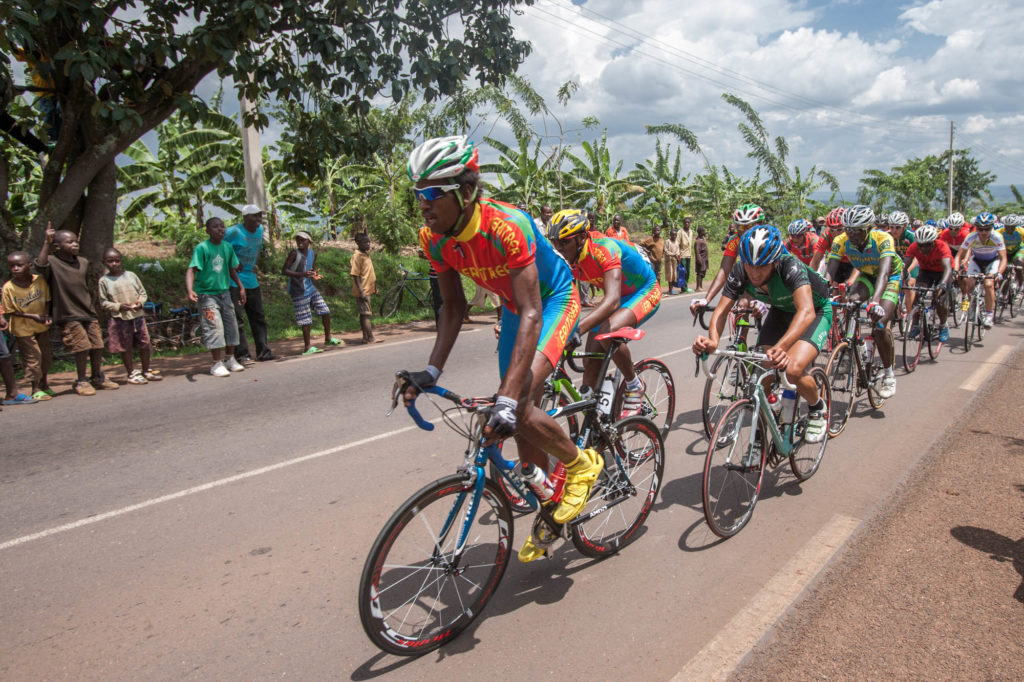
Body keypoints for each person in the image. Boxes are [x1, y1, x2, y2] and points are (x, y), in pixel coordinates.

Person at [404, 135, 600, 562]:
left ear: (467, 192)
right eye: (418, 194)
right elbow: (453, 307)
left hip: (550, 302)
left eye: (432, 193)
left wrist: (511, 395)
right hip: (516, 308)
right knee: (510, 413)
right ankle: (548, 498)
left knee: (518, 397)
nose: (423, 204)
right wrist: (430, 372)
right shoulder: (433, 238)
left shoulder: (507, 225)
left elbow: (533, 310)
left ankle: (582, 464)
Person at [692, 225, 829, 442]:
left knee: (792, 369)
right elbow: (721, 310)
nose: (754, 273)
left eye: (762, 267)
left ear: (775, 262)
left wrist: (782, 347)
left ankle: (817, 407)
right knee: (760, 375)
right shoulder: (740, 271)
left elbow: (806, 311)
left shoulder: (790, 266)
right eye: (749, 266)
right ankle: (762, 437)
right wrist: (713, 340)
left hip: (815, 312)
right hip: (782, 311)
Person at [548, 209, 661, 416]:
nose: (558, 248)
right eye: (555, 242)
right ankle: (595, 419)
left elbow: (611, 301)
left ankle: (634, 384)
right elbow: (553, 298)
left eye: (563, 243)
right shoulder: (567, 258)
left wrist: (576, 330)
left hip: (643, 291)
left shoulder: (603, 248)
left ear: (581, 237)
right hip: (617, 296)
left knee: (608, 333)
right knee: (590, 360)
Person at [826, 204, 902, 399]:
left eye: (857, 231)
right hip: (867, 276)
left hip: (889, 276)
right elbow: (829, 271)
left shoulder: (883, 239)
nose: (852, 235)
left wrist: (875, 302)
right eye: (848, 230)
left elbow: (884, 274)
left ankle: (889, 374)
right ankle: (853, 345)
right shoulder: (840, 240)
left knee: (878, 325)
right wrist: (821, 292)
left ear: (868, 228)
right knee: (851, 302)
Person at [35, 226, 119, 395]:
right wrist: (46, 242)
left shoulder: (83, 262)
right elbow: (40, 265)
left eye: (76, 241)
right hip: (67, 312)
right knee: (81, 347)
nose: (75, 244)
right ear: (57, 246)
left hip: (87, 310)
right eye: (70, 242)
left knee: (97, 345)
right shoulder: (52, 261)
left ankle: (97, 376)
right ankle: (81, 380)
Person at [186, 217, 247, 377]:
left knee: (231, 325)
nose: (220, 229)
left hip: (224, 292)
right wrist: (190, 289)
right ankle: (216, 363)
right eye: (215, 227)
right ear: (207, 230)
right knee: (214, 327)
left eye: (222, 226)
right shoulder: (202, 248)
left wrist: (241, 287)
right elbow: (192, 269)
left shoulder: (227, 247)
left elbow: (231, 269)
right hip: (207, 295)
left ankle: (230, 358)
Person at [691, 204, 766, 318]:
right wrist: (706, 299)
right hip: (747, 276)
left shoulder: (769, 239)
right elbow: (724, 270)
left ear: (760, 225)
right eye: (741, 227)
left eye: (749, 226)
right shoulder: (735, 240)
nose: (745, 231)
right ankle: (740, 334)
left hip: (768, 281)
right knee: (739, 306)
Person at [98, 248, 161, 384]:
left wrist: (140, 303)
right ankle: (131, 372)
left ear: (121, 261)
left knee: (144, 344)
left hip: (137, 315)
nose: (114, 264)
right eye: (110, 261)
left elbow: (142, 293)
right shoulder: (104, 280)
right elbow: (103, 302)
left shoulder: (131, 275)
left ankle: (146, 370)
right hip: (120, 318)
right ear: (104, 262)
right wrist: (119, 306)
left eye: (117, 260)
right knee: (125, 347)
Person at [225, 204, 274, 363]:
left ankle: (263, 351)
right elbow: (217, 247)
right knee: (238, 319)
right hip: (234, 281)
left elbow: (257, 249)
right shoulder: (233, 232)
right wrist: (230, 263)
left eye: (260, 215)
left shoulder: (260, 231)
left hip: (252, 281)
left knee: (258, 317)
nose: (259, 219)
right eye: (255, 216)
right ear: (245, 217)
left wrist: (255, 264)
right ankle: (242, 355)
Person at [2, 251, 53, 400]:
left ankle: (44, 383)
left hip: (41, 325)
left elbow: (47, 299)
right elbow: (10, 311)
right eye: (12, 266)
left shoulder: (40, 281)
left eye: (19, 265)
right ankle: (35, 388)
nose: (15, 269)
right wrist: (32, 316)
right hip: (22, 328)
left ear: (29, 266)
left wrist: (46, 315)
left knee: (45, 356)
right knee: (32, 357)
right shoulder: (8, 288)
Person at [282, 230, 342, 354]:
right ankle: (308, 347)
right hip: (298, 290)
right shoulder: (294, 253)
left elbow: (311, 270)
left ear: (309, 241)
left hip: (309, 287)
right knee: (305, 318)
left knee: (325, 310)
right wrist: (302, 274)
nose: (300, 242)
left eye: (302, 239)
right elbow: (284, 270)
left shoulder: (313, 254)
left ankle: (328, 338)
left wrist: (314, 275)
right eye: (298, 239)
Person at [954, 212, 1006, 329]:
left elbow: (1003, 258)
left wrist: (999, 273)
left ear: (991, 228)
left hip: (992, 261)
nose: (983, 232)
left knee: (988, 284)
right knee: (968, 282)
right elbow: (958, 256)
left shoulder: (997, 237)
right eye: (980, 229)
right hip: (976, 260)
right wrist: (956, 270)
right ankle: (972, 305)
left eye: (986, 229)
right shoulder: (971, 237)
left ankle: (989, 315)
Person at [902, 224, 953, 342]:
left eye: (927, 245)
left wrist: (943, 284)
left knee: (938, 299)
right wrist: (900, 280)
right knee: (918, 293)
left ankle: (943, 325)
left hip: (943, 273)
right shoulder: (914, 247)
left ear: (933, 242)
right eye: (920, 245)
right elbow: (904, 267)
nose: (923, 249)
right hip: (926, 271)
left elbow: (947, 268)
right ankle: (915, 325)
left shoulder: (942, 246)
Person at [810, 207, 854, 282]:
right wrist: (809, 280)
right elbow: (816, 260)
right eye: (832, 230)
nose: (835, 233)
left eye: (840, 229)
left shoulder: (852, 235)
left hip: (853, 262)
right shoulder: (826, 236)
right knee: (830, 285)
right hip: (837, 262)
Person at [350, 232, 378, 344]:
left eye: (369, 242)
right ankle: (370, 337)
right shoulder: (357, 256)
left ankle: (365, 337)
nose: (368, 244)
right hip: (363, 290)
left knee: (364, 314)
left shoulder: (366, 255)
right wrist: (361, 291)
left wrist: (374, 288)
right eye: (365, 242)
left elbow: (368, 273)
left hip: (368, 288)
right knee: (366, 314)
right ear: (358, 243)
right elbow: (355, 275)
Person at [996, 215, 1024, 289]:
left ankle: (1021, 285)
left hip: (1018, 251)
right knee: (1002, 271)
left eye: (1012, 227)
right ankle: (1002, 291)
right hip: (1005, 252)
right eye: (1007, 226)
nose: (1009, 229)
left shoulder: (1021, 231)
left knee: (1019, 263)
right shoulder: (998, 232)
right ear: (1004, 225)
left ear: (1016, 226)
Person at [676, 216, 694, 291]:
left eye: (688, 222)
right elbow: (677, 244)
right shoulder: (680, 232)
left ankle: (685, 285)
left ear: (690, 223)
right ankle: (683, 287)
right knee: (683, 271)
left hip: (689, 254)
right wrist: (678, 255)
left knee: (688, 271)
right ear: (683, 223)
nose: (687, 224)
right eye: (685, 222)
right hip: (682, 254)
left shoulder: (691, 231)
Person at [664, 227, 681, 295]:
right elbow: (666, 250)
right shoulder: (667, 241)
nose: (674, 236)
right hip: (669, 261)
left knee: (674, 275)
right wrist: (673, 254)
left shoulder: (677, 242)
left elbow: (678, 250)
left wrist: (677, 255)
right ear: (670, 235)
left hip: (674, 261)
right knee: (670, 275)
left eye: (675, 235)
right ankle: (670, 289)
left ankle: (672, 289)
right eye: (672, 235)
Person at [694, 226, 709, 291]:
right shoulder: (697, 241)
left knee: (702, 272)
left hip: (704, 259)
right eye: (704, 231)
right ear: (700, 232)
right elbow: (697, 251)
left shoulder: (703, 239)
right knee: (699, 273)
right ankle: (698, 287)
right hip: (700, 259)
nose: (705, 232)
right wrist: (698, 259)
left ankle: (701, 285)